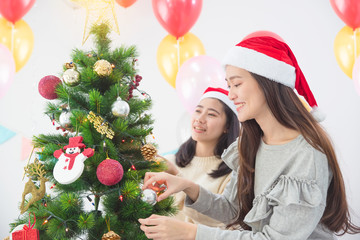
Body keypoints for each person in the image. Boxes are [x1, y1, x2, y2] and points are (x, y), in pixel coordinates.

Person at [138, 36, 360, 239]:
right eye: (228, 85)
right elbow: (233, 209)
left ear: (267, 81)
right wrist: (186, 185)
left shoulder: (307, 156)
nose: (231, 94)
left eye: (237, 84)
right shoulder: (251, 143)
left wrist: (192, 233)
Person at [162, 87, 240, 227]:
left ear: (227, 126)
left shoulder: (232, 174)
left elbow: (223, 226)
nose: (200, 119)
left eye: (211, 114)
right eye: (198, 111)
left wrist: (177, 177)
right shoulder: (168, 161)